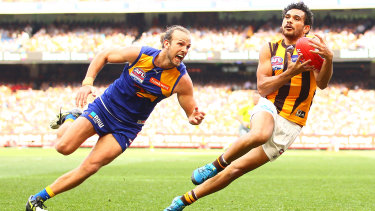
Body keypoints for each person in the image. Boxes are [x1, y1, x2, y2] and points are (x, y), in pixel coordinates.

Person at [164, 2, 333, 210]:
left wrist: (329, 59)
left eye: (296, 18)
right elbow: (262, 88)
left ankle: (182, 200)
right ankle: (213, 165)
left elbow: (323, 84)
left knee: (237, 170)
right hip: (269, 105)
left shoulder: (312, 49)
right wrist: (290, 72)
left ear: (306, 28)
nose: (289, 20)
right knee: (260, 134)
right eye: (287, 17)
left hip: (292, 122)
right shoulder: (269, 48)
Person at [25, 25, 206, 211]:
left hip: (126, 128)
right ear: (166, 44)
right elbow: (104, 55)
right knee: (63, 147)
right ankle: (72, 117)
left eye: (188, 47)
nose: (184, 50)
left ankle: (36, 200)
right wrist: (87, 83)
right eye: (181, 44)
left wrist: (193, 117)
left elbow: (190, 110)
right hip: (104, 108)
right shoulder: (141, 54)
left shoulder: (181, 80)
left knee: (90, 167)